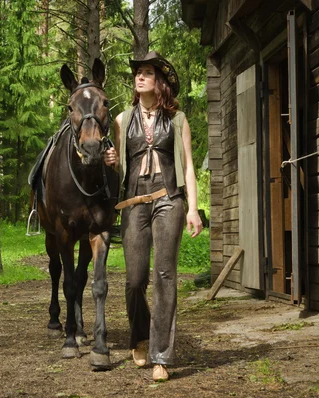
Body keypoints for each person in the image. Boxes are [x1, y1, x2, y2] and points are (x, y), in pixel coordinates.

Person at [104, 51, 203, 381]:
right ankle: (140, 337)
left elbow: (188, 166)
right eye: (137, 73)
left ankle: (161, 355)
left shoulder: (177, 120)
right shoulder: (121, 119)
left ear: (159, 81)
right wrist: (111, 159)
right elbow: (118, 166)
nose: (139, 77)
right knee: (134, 280)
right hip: (134, 203)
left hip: (168, 199)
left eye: (146, 72)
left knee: (164, 275)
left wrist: (192, 208)